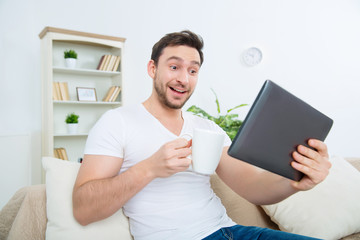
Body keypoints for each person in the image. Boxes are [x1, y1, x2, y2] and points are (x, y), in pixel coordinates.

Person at [72, 30, 331, 240]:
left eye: (193, 71)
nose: (184, 78)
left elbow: (252, 187)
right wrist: (150, 168)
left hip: (233, 233)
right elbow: (83, 209)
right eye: (174, 67)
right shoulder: (117, 122)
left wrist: (295, 183)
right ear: (152, 69)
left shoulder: (207, 128)